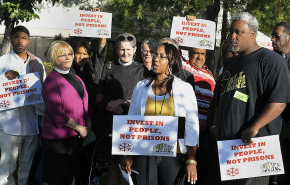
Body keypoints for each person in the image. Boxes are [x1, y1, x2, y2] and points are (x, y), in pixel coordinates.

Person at [212, 12, 290, 185]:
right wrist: (215, 125)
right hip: (228, 150)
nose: (233, 37)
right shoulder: (230, 65)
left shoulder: (271, 61)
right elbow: (220, 99)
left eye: (238, 32)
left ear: (252, 33)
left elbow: (279, 102)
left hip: (254, 150)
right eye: (231, 32)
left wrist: (255, 127)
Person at [121, 43, 199, 185]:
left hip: (173, 156)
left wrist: (191, 160)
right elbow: (131, 120)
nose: (156, 59)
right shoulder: (141, 86)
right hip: (144, 153)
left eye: (162, 56)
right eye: (156, 55)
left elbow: (192, 127)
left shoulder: (184, 88)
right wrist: (128, 153)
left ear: (172, 62)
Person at [95, 33, 149, 185]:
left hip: (132, 126)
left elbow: (145, 100)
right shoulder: (108, 67)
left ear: (135, 49)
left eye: (129, 49)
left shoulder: (143, 71)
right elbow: (99, 96)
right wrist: (111, 106)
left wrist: (122, 102)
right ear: (116, 50)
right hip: (111, 124)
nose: (125, 53)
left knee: (127, 170)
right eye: (121, 49)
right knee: (113, 169)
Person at [0, 25, 45, 185]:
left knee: (28, 166)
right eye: (16, 37)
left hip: (32, 123)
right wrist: (5, 78)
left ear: (28, 40)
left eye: (23, 37)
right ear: (11, 39)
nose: (20, 41)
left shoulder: (37, 63)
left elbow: (42, 89)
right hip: (9, 124)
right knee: (6, 168)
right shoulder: (2, 62)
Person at [41, 40, 89, 185]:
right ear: (55, 58)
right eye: (63, 55)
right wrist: (79, 127)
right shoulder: (51, 81)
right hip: (57, 139)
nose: (68, 57)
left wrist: (86, 126)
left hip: (75, 138)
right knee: (56, 178)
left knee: (72, 178)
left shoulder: (78, 78)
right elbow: (57, 113)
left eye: (70, 54)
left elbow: (86, 105)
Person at [271, 22, 290, 185]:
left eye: (277, 36)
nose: (273, 39)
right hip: (270, 129)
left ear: (288, 37)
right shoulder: (269, 61)